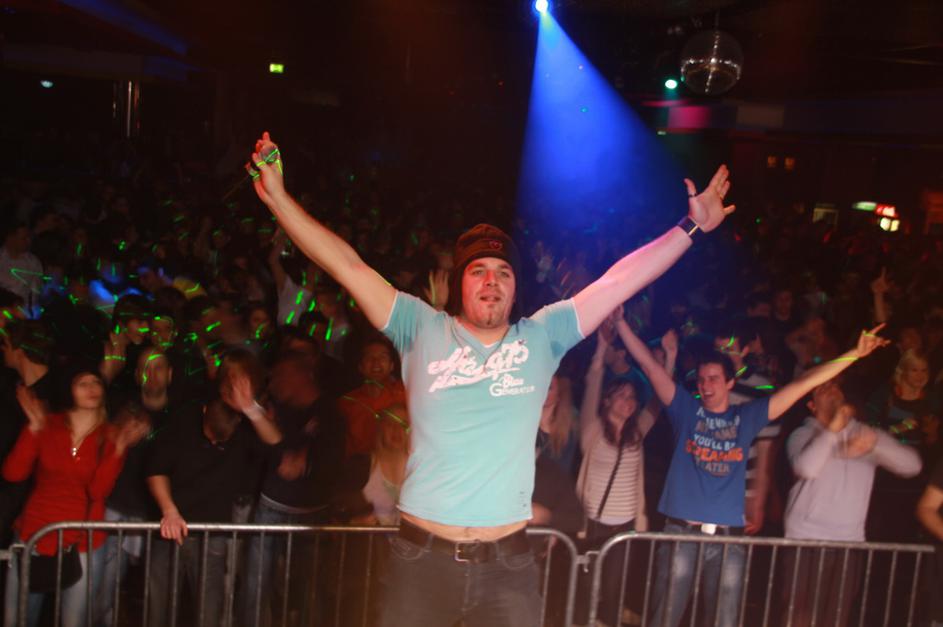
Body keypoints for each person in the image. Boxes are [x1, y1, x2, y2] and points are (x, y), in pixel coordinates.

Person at [248, 130, 736, 626]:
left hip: (508, 567)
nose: (491, 281)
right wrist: (280, 201)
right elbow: (347, 266)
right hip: (422, 563)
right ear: (459, 284)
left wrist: (690, 228)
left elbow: (617, 282)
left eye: (503, 272)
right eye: (478, 270)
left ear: (515, 288)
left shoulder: (541, 336)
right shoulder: (419, 327)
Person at [626, 310, 888, 627]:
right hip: (681, 534)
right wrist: (621, 323)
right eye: (702, 379)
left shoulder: (746, 417)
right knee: (665, 618)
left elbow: (803, 384)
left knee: (725, 621)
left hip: (729, 539)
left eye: (714, 379)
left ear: (730, 382)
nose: (706, 385)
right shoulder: (686, 410)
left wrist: (854, 354)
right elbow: (650, 367)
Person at [2, 365, 146, 627]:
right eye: (83, 383)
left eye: (96, 382)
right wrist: (32, 429)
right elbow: (13, 473)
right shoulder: (48, 424)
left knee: (74, 621)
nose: (92, 388)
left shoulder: (111, 435)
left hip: (83, 539)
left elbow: (97, 491)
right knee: (17, 619)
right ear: (69, 390)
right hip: (35, 531)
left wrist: (117, 452)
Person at [145, 359, 280, 627]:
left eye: (221, 442)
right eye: (210, 438)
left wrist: (251, 409)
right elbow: (156, 469)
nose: (215, 443)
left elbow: (275, 442)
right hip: (169, 530)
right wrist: (170, 511)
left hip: (212, 532)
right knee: (159, 607)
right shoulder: (184, 420)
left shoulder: (244, 426)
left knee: (209, 610)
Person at [781, 379, 921, 627]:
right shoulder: (802, 435)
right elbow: (807, 467)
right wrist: (835, 436)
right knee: (798, 618)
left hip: (848, 542)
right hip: (805, 540)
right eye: (823, 389)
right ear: (812, 405)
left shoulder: (864, 434)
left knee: (835, 618)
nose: (832, 390)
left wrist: (874, 448)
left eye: (835, 386)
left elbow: (912, 466)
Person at [574, 313, 674, 626]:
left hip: (625, 524)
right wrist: (602, 347)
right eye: (621, 396)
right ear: (607, 401)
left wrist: (671, 358)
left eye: (631, 397)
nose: (628, 401)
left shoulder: (636, 433)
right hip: (593, 522)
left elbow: (660, 400)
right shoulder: (592, 430)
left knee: (613, 589)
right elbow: (593, 379)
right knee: (587, 588)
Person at [240, 350, 345, 627]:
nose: (274, 383)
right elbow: (265, 451)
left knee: (310, 586)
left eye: (280, 377)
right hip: (273, 506)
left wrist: (306, 462)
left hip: (313, 512)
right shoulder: (275, 408)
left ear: (301, 377)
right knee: (256, 584)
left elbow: (334, 460)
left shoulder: (329, 412)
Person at [339, 336, 405, 457]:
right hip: (361, 465)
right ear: (360, 366)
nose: (376, 362)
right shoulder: (347, 403)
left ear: (392, 365)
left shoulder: (405, 394)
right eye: (369, 357)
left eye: (382, 357)